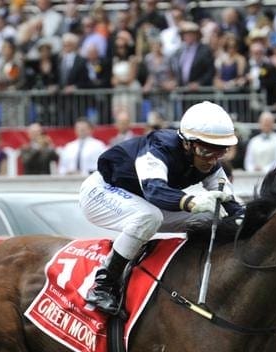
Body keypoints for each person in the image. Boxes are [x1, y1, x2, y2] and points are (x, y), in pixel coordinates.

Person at [79, 101, 240, 315]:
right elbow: (154, 190)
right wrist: (191, 201)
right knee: (149, 217)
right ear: (187, 144)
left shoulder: (209, 162)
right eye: (204, 151)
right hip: (102, 191)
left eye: (220, 152)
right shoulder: (160, 147)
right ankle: (103, 286)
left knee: (212, 216)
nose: (211, 160)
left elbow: (234, 208)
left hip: (141, 200)